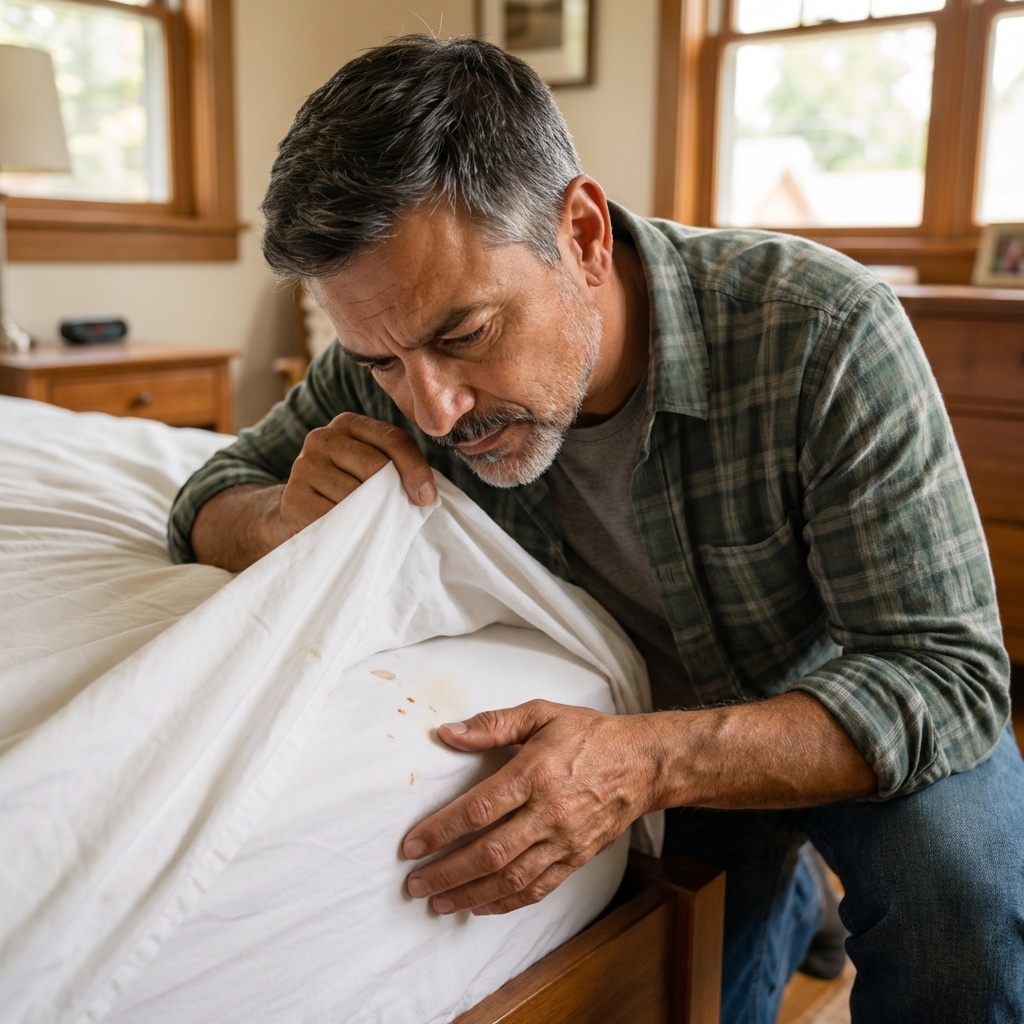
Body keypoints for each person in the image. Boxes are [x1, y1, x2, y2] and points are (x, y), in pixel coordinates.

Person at [168, 36, 1023, 1024]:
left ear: (579, 233)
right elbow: (210, 490)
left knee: (964, 913)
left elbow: (948, 677)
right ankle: (788, 897)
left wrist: (647, 759)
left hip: (840, 710)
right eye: (385, 362)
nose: (434, 409)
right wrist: (279, 516)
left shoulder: (825, 330)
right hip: (664, 764)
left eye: (464, 336)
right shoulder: (395, 358)